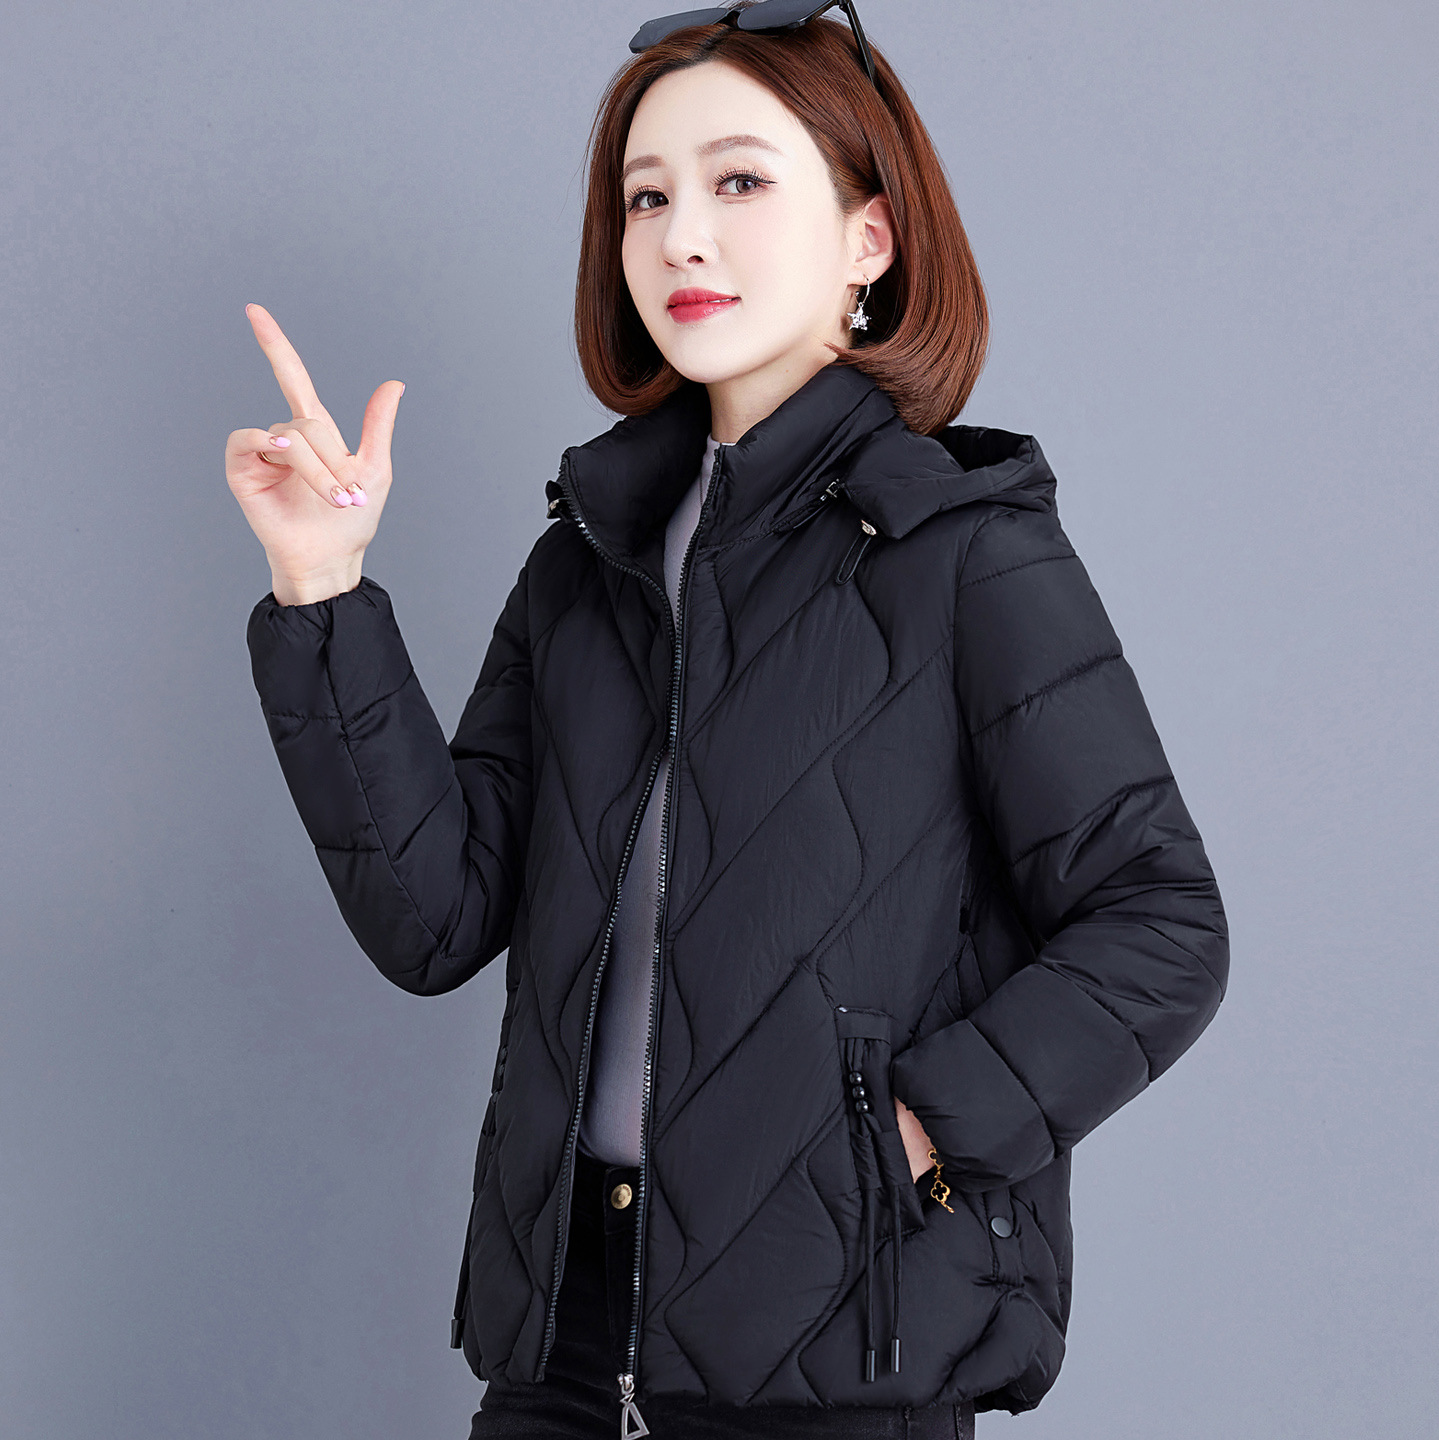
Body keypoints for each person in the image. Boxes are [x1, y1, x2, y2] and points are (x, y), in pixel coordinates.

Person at [226, 4, 1229, 1437]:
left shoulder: (962, 551)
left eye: (740, 181)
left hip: (838, 1349)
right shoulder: (587, 562)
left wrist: (916, 1132)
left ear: (870, 240)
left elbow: (1161, 922)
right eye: (647, 198)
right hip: (563, 1341)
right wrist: (321, 588)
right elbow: (433, 921)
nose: (682, 237)